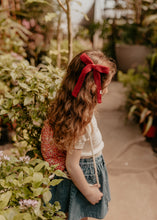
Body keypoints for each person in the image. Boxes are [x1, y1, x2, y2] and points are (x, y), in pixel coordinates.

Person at [41, 50, 117, 220]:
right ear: (92, 87)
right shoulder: (81, 122)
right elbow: (73, 165)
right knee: (78, 215)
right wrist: (88, 191)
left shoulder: (75, 109)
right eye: (105, 87)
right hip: (84, 175)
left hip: (89, 168)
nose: (106, 91)